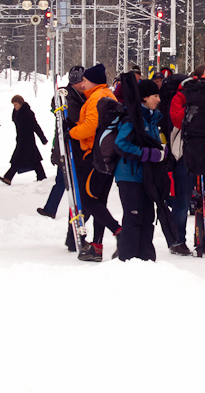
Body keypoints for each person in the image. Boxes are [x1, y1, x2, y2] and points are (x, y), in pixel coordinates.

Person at [66, 63, 122, 261]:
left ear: (93, 82)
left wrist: (71, 131)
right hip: (107, 155)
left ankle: (118, 232)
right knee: (100, 201)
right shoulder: (105, 94)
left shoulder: (97, 97)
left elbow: (91, 126)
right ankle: (97, 246)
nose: (83, 84)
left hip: (95, 155)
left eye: (86, 80)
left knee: (88, 200)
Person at [168, 64, 205, 256]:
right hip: (185, 153)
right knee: (183, 199)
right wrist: (195, 110)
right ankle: (178, 241)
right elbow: (175, 118)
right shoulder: (181, 95)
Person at [115, 79, 167, 261]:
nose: (158, 99)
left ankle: (146, 259)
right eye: (155, 96)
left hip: (145, 177)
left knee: (147, 219)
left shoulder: (151, 119)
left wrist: (161, 151)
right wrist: (148, 154)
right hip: (130, 176)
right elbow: (121, 144)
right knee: (133, 218)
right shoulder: (133, 119)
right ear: (144, 97)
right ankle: (127, 259)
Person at [38, 66, 86, 219]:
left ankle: (51, 209)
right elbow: (68, 119)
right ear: (76, 82)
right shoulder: (68, 97)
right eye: (82, 81)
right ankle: (53, 209)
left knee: (63, 179)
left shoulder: (80, 95)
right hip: (70, 143)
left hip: (74, 143)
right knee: (64, 178)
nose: (85, 84)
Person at [0, 95, 47, 184]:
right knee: (34, 159)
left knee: (17, 159)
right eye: (14, 105)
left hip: (28, 140)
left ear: (21, 103)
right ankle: (41, 177)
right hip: (21, 139)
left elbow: (35, 126)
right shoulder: (16, 112)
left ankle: (8, 177)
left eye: (16, 104)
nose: (15, 107)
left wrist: (43, 139)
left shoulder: (28, 113)